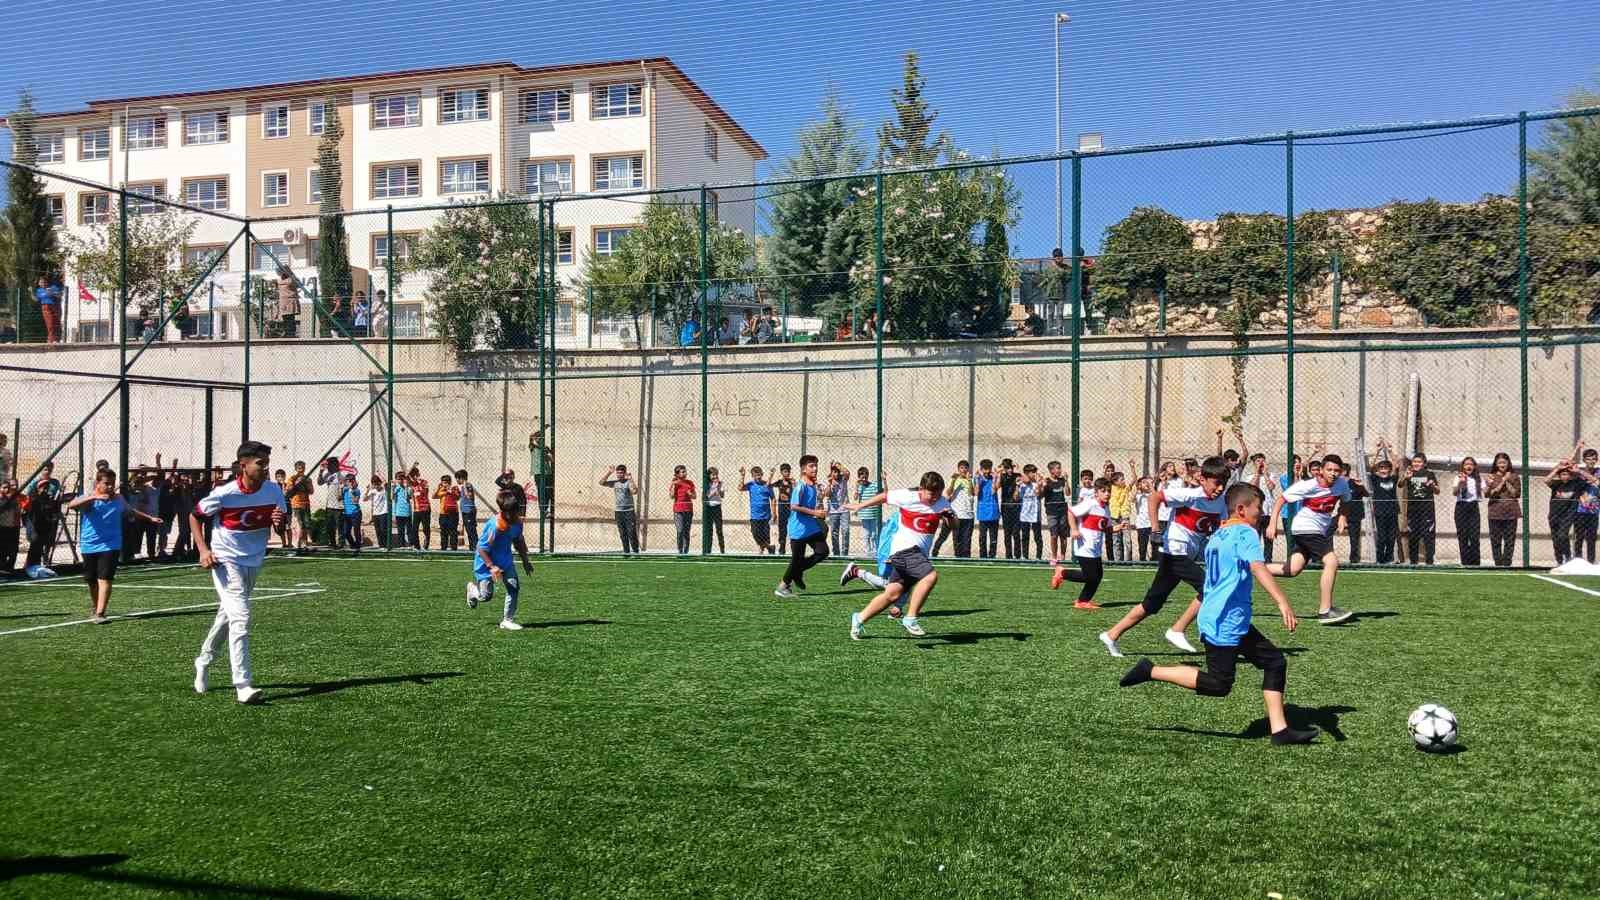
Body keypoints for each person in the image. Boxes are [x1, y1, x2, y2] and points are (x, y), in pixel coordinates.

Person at [1118, 482, 1320, 746]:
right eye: (1258, 508)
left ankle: (1280, 731)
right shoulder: (1245, 533)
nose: (1261, 513)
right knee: (1219, 684)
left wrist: (1283, 570)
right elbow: (1257, 568)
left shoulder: (1219, 535)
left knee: (1275, 663)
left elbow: (1243, 567)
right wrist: (1282, 601)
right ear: (1241, 509)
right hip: (1226, 620)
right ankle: (1151, 670)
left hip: (1224, 617)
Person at [1100, 456, 1230, 658]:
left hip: (1184, 556)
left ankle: (1111, 634)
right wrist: (1155, 529)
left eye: (1224, 483)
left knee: (1152, 603)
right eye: (1217, 482)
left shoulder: (1221, 502)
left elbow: (1222, 527)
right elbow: (1155, 498)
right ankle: (1177, 629)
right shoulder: (1189, 495)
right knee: (1210, 587)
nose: (1220, 488)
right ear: (1203, 479)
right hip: (1173, 552)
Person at [190, 440, 288, 705]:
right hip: (225, 560)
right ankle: (243, 685)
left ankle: (204, 661)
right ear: (243, 465)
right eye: (260, 463)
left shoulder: (273, 491)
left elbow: (280, 528)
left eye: (267, 462)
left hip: (254, 560)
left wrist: (279, 524)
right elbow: (195, 516)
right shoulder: (225, 493)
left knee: (228, 616)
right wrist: (203, 550)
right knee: (241, 617)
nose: (266, 468)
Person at [844, 471, 955, 639]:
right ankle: (910, 619)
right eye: (931, 494)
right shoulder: (907, 496)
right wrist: (860, 506)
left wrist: (950, 517)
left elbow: (955, 525)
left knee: (893, 594)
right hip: (904, 550)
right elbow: (884, 496)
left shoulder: (941, 502)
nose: (935, 498)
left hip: (917, 555)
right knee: (930, 577)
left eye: (938, 494)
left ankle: (859, 618)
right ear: (922, 489)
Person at [1266, 453, 1354, 624]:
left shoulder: (1342, 484)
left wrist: (1343, 516)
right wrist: (1272, 523)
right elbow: (1281, 500)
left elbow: (1346, 501)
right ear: (1320, 470)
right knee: (1331, 561)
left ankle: (1249, 567)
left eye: (1337, 470)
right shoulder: (1308, 485)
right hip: (1306, 528)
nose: (1333, 473)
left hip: (1316, 531)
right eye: (1329, 469)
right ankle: (1325, 611)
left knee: (1292, 570)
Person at [67, 469, 162, 623]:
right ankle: (96, 606)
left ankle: (100, 613)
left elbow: (131, 511)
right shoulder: (90, 498)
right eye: (106, 484)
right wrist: (95, 497)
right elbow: (72, 505)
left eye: (112, 484)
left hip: (111, 544)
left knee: (105, 578)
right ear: (98, 483)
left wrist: (150, 518)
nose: (110, 487)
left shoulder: (118, 498)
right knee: (91, 580)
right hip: (89, 545)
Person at [465, 488, 535, 630]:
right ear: (505, 512)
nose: (518, 515)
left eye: (518, 511)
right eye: (515, 512)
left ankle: (507, 620)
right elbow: (481, 548)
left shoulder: (517, 523)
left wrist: (526, 561)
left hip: (506, 561)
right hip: (486, 564)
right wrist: (492, 566)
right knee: (486, 596)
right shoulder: (495, 526)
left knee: (513, 588)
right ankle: (472, 590)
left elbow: (519, 542)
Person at [1050, 477, 1122, 609]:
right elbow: (1071, 512)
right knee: (1091, 576)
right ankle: (1062, 573)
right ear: (1096, 493)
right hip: (1084, 545)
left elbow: (1105, 528)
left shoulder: (1106, 509)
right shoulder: (1090, 503)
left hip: (1095, 548)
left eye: (1109, 491)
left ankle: (1083, 601)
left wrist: (1117, 528)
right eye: (1103, 491)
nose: (1107, 493)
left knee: (1097, 576)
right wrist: (1074, 529)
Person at [774, 454, 827, 598]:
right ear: (804, 469)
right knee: (796, 561)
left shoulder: (813, 485)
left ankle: (797, 572)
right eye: (811, 466)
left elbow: (810, 505)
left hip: (810, 526)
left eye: (816, 465)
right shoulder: (801, 486)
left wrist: (819, 512)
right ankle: (782, 587)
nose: (815, 468)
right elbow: (794, 506)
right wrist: (815, 512)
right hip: (798, 529)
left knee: (823, 551)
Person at [1546, 449, 1587, 565]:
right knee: (1556, 539)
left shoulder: (1576, 483)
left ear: (1570, 475)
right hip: (1554, 515)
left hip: (1568, 515)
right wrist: (1557, 469)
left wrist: (1578, 471)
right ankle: (1559, 560)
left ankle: (1568, 557)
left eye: (1567, 474)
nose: (1565, 476)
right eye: (1563, 474)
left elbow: (1593, 480)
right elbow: (1546, 480)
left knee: (1563, 535)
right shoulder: (1556, 484)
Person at [22, 462, 63, 578]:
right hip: (36, 516)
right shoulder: (34, 483)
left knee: (45, 540)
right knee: (35, 540)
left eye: (50, 469)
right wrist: (38, 490)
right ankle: (29, 566)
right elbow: (29, 495)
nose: (48, 471)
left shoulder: (55, 483)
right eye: (45, 469)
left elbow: (56, 497)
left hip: (48, 515)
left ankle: (39, 564)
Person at [1400, 454, 1439, 565]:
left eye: (1419, 462)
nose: (1416, 464)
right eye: (1414, 461)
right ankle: (1413, 561)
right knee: (1413, 535)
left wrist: (1432, 485)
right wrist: (1405, 477)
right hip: (1413, 510)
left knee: (1428, 535)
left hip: (1427, 510)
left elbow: (1437, 491)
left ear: (1424, 463)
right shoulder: (1409, 473)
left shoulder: (1429, 474)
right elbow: (1400, 485)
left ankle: (1429, 560)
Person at [1484, 452, 1520, 567]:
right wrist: (1502, 481)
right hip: (1495, 512)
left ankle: (1507, 563)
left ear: (1508, 463)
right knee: (1496, 540)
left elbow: (1516, 494)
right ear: (1496, 464)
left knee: (1509, 541)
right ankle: (1498, 563)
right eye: (1499, 462)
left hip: (1511, 513)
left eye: (1504, 462)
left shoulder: (1514, 477)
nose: (1502, 464)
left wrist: (1507, 482)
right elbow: (1488, 494)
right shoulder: (1491, 476)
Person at [1367, 442, 1400, 564]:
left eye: (1386, 468)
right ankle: (1380, 558)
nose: (1383, 470)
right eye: (1381, 468)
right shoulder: (1376, 479)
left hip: (1392, 511)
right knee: (1382, 537)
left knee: (1391, 537)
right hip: (1380, 511)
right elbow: (1370, 467)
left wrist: (1390, 451)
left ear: (1389, 470)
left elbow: (1397, 465)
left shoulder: (1393, 479)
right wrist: (1378, 451)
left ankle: (1389, 558)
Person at [1243, 453, 1279, 562]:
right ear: (1254, 463)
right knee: (1255, 537)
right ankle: (1255, 559)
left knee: (1268, 538)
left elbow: (1271, 487)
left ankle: (1268, 560)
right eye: (1258, 461)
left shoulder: (1271, 475)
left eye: (1262, 461)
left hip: (1268, 512)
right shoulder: (1249, 477)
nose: (1261, 463)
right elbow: (1253, 487)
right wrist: (1257, 473)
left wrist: (1265, 474)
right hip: (1255, 512)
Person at [600, 465, 639, 554]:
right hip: (618, 511)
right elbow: (601, 483)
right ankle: (626, 552)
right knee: (622, 533)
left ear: (624, 473)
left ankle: (636, 552)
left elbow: (634, 491)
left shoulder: (628, 482)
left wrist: (631, 479)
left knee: (631, 532)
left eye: (621, 473)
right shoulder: (615, 483)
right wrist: (609, 472)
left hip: (629, 511)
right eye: (618, 473)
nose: (619, 474)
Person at [739, 466, 776, 553]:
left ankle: (762, 550)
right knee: (755, 533)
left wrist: (774, 513)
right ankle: (769, 547)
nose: (758, 477)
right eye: (755, 476)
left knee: (765, 535)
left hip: (766, 515)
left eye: (759, 475)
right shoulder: (751, 485)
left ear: (762, 474)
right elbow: (740, 488)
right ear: (752, 476)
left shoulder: (767, 485)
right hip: (755, 515)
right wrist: (742, 476)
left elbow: (773, 498)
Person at [1574, 447, 1600, 563]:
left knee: (1591, 538)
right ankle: (1578, 560)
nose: (1591, 461)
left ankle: (1590, 561)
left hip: (1594, 511)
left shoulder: (1597, 471)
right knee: (1579, 537)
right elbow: (1577, 489)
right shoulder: (1577, 474)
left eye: (1594, 459)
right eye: (1589, 459)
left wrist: (1582, 472)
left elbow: (1597, 482)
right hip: (1580, 510)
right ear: (1584, 460)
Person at [975, 459, 1001, 559]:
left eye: (988, 469)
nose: (986, 471)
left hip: (993, 512)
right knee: (982, 537)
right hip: (982, 512)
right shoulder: (978, 478)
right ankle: (983, 556)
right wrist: (978, 480)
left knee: (993, 537)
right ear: (981, 469)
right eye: (984, 469)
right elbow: (976, 493)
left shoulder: (994, 478)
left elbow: (994, 491)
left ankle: (992, 556)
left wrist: (995, 479)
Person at [825, 463, 851, 558]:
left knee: (846, 530)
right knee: (834, 532)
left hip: (844, 509)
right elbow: (827, 494)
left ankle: (844, 554)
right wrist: (830, 483)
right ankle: (836, 553)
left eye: (837, 472)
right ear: (831, 473)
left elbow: (847, 473)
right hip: (833, 511)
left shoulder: (843, 479)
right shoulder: (829, 482)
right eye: (834, 472)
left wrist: (839, 466)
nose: (836, 474)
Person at [669, 464, 696, 554]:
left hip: (688, 510)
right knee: (680, 530)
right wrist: (673, 485)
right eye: (682, 472)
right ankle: (680, 550)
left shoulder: (690, 483)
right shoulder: (675, 483)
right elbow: (672, 496)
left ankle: (686, 551)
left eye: (685, 471)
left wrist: (690, 493)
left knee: (686, 531)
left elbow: (695, 496)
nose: (685, 473)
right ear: (677, 474)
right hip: (678, 511)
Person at [286, 461, 313, 551]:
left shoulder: (307, 479)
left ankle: (305, 543)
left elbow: (311, 491)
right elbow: (288, 491)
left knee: (306, 524)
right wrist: (296, 484)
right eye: (299, 468)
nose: (301, 470)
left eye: (302, 468)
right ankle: (297, 543)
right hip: (296, 504)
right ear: (296, 469)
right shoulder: (292, 478)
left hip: (306, 504)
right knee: (299, 525)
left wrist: (305, 484)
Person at [528, 431, 554, 523]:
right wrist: (543, 429)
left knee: (548, 492)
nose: (539, 439)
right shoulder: (533, 446)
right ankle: (543, 511)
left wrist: (548, 454)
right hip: (539, 472)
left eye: (541, 437)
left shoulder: (545, 448)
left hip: (547, 472)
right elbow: (531, 436)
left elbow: (552, 459)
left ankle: (546, 510)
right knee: (541, 491)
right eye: (538, 437)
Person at [1019, 464, 1044, 560]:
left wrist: (1038, 484)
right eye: (1032, 472)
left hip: (1035, 513)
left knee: (1037, 536)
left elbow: (1038, 494)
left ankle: (1038, 556)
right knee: (1025, 536)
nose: (1035, 474)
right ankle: (1024, 556)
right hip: (1024, 513)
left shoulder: (1038, 483)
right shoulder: (1021, 484)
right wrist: (1019, 485)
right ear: (1026, 473)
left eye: (1035, 472)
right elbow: (1017, 496)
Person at [855, 467, 882, 555]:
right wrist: (857, 486)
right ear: (859, 477)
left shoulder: (874, 485)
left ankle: (874, 551)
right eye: (862, 476)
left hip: (873, 514)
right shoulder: (860, 487)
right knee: (866, 534)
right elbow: (855, 497)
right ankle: (867, 551)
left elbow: (879, 493)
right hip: (864, 515)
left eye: (865, 476)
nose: (864, 478)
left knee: (874, 534)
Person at [318, 457, 343, 548]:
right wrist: (321, 471)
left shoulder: (340, 475)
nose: (327, 466)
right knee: (330, 526)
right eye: (327, 465)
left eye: (329, 464)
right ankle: (332, 543)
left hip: (339, 506)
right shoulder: (327, 474)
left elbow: (343, 487)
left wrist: (341, 493)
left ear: (334, 465)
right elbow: (319, 482)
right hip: (329, 505)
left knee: (339, 526)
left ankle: (341, 543)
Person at [998, 459, 1021, 559]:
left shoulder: (1017, 475)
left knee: (1016, 533)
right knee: (1007, 532)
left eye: (1011, 468)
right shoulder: (1002, 476)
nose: (1010, 470)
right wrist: (1000, 471)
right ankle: (1008, 555)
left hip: (1016, 506)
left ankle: (1017, 555)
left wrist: (1017, 467)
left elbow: (1024, 479)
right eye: (1007, 468)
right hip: (1005, 506)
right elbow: (996, 487)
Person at [772, 464, 795, 555]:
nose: (787, 473)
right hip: (782, 506)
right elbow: (768, 485)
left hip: (790, 506)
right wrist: (771, 474)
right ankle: (782, 547)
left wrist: (793, 484)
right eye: (785, 471)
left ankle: (794, 546)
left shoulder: (792, 482)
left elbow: (797, 491)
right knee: (782, 527)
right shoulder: (779, 482)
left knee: (793, 526)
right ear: (781, 472)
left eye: (788, 471)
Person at [1343, 479, 1368, 563]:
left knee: (1354, 538)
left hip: (1355, 515)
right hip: (1343, 514)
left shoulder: (1355, 484)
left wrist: (1361, 485)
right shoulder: (1341, 484)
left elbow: (1366, 494)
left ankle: (1354, 558)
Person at [435, 473, 461, 551]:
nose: (445, 483)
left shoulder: (455, 488)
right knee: (443, 531)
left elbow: (458, 497)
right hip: (443, 513)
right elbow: (434, 496)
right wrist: (439, 488)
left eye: (446, 482)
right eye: (443, 482)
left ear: (450, 482)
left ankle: (454, 548)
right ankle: (443, 547)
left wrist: (450, 490)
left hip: (453, 513)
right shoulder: (441, 489)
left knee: (453, 531)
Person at [1131, 474, 1154, 561]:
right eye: (1144, 483)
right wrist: (1137, 489)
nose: (1147, 484)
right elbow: (1132, 499)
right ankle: (1142, 561)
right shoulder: (1138, 496)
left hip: (1152, 523)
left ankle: (1153, 560)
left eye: (1148, 482)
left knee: (1154, 543)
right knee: (1142, 545)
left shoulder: (1153, 494)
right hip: (1142, 524)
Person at [409, 466, 432, 550]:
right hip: (416, 510)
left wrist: (417, 482)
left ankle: (426, 544)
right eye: (413, 475)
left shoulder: (424, 482)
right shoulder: (411, 483)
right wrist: (412, 467)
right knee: (414, 529)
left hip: (425, 508)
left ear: (418, 474)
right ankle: (417, 546)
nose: (414, 476)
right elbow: (406, 475)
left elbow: (425, 491)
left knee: (426, 528)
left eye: (416, 474)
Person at [0, 480, 20, 576]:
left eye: (8, 487)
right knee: (2, 549)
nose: (6, 489)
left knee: (13, 550)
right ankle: (2, 567)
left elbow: (17, 512)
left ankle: (9, 568)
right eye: (4, 487)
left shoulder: (12, 500)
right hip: (2, 527)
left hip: (12, 528)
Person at [36, 276, 63, 343]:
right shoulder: (39, 290)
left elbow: (60, 295)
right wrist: (30, 292)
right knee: (50, 323)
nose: (42, 284)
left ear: (47, 282)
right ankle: (51, 339)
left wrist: (52, 293)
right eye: (40, 282)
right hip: (46, 307)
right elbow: (37, 299)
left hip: (55, 306)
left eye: (43, 282)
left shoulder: (53, 287)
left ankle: (57, 339)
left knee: (57, 323)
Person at [340, 473, 363, 552]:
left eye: (351, 481)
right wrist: (341, 489)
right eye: (348, 481)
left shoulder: (356, 490)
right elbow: (338, 498)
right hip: (346, 513)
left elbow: (355, 501)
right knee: (346, 532)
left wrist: (351, 491)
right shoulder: (344, 489)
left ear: (354, 481)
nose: (349, 482)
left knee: (356, 530)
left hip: (355, 513)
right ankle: (352, 544)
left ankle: (358, 545)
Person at [389, 472, 413, 549]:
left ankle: (411, 545)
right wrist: (392, 488)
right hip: (399, 512)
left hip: (407, 512)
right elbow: (392, 498)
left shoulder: (409, 488)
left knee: (409, 530)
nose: (400, 481)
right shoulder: (396, 488)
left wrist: (406, 488)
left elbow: (408, 497)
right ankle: (401, 545)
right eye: (398, 479)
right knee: (400, 530)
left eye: (401, 479)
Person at [365, 474, 390, 548]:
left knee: (383, 530)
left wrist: (379, 474)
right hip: (376, 514)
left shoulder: (384, 490)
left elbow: (385, 482)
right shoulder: (373, 491)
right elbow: (364, 499)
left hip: (384, 512)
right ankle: (381, 545)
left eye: (377, 484)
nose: (376, 486)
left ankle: (385, 545)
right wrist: (367, 490)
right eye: (374, 484)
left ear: (379, 483)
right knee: (378, 531)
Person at [276, 265, 300, 338]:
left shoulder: (291, 280)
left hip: (290, 301)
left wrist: (290, 273)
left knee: (290, 318)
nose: (281, 274)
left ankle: (291, 333)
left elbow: (296, 283)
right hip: (283, 301)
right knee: (285, 318)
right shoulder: (280, 280)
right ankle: (287, 332)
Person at [705, 467, 726, 554]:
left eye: (716, 474)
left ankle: (722, 550)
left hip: (717, 507)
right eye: (713, 475)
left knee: (719, 530)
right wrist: (713, 490)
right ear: (709, 476)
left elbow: (722, 495)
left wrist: (718, 489)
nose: (715, 476)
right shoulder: (706, 484)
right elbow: (707, 496)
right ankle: (708, 550)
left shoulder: (720, 483)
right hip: (708, 508)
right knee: (709, 530)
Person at [457, 470, 479, 548]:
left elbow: (469, 496)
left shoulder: (468, 485)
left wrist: (465, 485)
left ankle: (476, 547)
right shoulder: (463, 486)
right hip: (465, 510)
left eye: (458, 478)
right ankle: (472, 547)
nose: (457, 480)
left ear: (462, 478)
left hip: (469, 510)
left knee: (471, 529)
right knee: (468, 529)